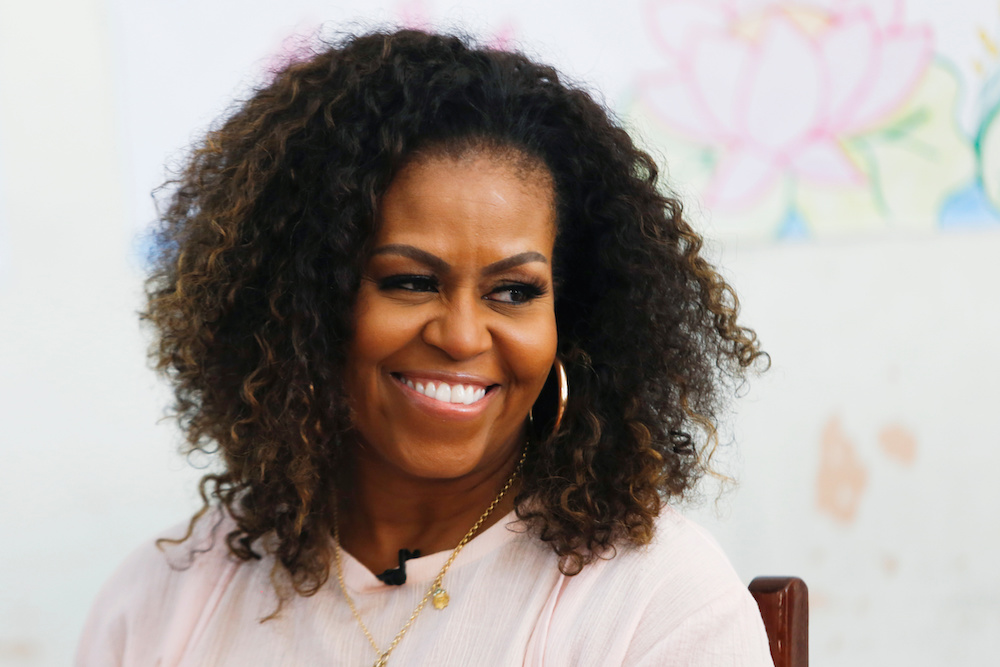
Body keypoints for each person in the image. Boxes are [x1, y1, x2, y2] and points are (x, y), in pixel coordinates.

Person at [77, 28, 772, 666]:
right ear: (307, 306)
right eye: (410, 281)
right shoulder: (162, 605)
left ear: (577, 319)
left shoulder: (658, 604)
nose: (463, 335)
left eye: (514, 291)